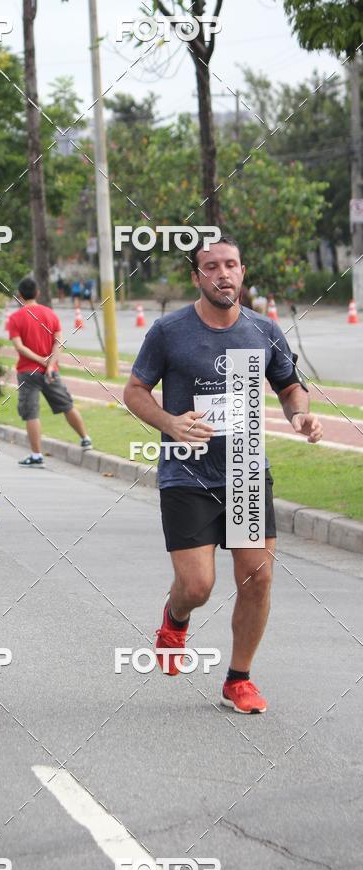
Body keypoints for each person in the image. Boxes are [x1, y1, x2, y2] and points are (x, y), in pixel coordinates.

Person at [123, 236, 323, 714]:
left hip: (246, 472)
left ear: (242, 271)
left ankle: (238, 679)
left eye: (230, 264)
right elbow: (134, 390)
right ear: (198, 277)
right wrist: (169, 423)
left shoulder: (263, 328)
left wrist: (301, 415)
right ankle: (174, 619)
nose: (222, 274)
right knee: (197, 586)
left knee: (258, 577)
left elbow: (290, 386)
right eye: (211, 266)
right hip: (188, 474)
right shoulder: (169, 331)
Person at [7, 276, 92, 467]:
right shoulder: (50, 314)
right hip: (51, 373)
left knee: (31, 413)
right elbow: (59, 342)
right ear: (38, 293)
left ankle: (36, 455)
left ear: (19, 295)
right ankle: (85, 438)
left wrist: (39, 360)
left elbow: (19, 347)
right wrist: (51, 365)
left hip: (27, 372)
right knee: (66, 405)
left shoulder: (15, 318)